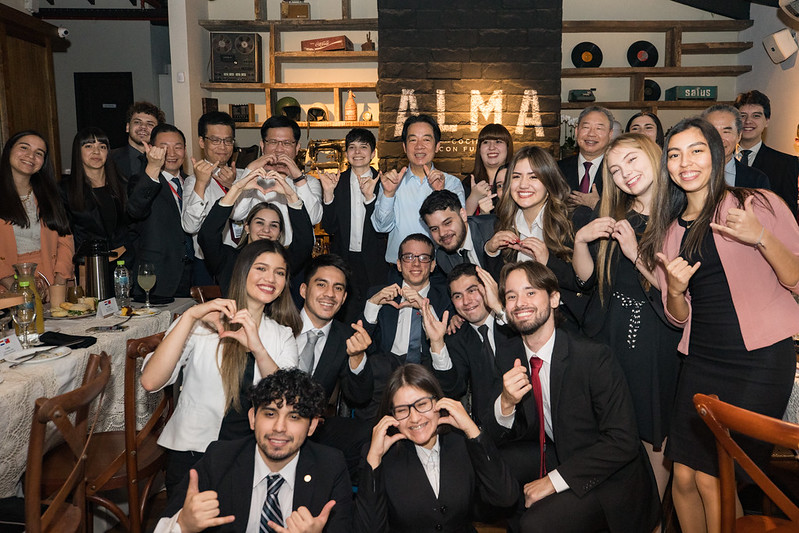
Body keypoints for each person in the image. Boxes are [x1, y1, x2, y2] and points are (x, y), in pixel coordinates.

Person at [653, 117, 799, 533]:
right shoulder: (670, 231)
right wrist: (676, 290)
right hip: (701, 360)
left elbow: (796, 278)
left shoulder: (758, 204)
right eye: (674, 154)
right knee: (683, 477)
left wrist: (761, 237)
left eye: (696, 150)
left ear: (718, 155)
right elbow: (676, 315)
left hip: (758, 360)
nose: (685, 162)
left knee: (713, 477)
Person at [486, 261, 660, 533]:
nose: (520, 303)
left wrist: (553, 481)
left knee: (534, 525)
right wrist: (506, 403)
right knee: (492, 469)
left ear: (554, 298)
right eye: (511, 296)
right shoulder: (511, 354)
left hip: (608, 474)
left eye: (530, 292)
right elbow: (500, 433)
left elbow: (623, 441)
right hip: (558, 451)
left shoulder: (592, 357)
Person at [141, 239, 302, 497]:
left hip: (252, 460)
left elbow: (287, 403)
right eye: (261, 268)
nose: (270, 278)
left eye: (279, 272)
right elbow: (151, 381)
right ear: (243, 271)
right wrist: (189, 317)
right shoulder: (204, 321)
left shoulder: (282, 336)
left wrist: (258, 349)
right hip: (194, 454)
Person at [572, 133, 681, 497]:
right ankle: (625, 513)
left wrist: (635, 254)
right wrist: (581, 240)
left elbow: (676, 292)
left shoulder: (679, 215)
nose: (625, 174)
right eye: (615, 170)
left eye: (632, 160)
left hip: (656, 336)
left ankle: (653, 517)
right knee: (614, 428)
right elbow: (588, 278)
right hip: (610, 332)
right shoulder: (614, 213)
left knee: (653, 432)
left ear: (653, 155)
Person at [155, 368, 353, 533]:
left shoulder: (330, 467)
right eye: (270, 414)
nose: (279, 427)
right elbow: (163, 526)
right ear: (252, 418)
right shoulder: (220, 459)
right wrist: (183, 525)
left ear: (312, 426)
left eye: (294, 417)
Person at [354, 364, 518, 533]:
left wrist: (472, 430)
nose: (415, 418)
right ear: (392, 416)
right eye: (402, 410)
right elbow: (368, 529)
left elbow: (505, 497)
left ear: (438, 403)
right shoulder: (380, 455)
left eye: (422, 404)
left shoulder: (463, 442)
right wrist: (374, 460)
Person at [486, 146, 588, 330]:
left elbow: (586, 283)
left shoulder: (574, 219)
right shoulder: (505, 220)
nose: (523, 185)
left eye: (533, 177)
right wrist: (491, 251)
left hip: (567, 324)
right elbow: (501, 284)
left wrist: (548, 261)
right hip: (519, 323)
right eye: (516, 177)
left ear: (549, 181)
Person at [295, 253, 375, 475]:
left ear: (344, 297)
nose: (330, 294)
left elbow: (359, 397)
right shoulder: (281, 323)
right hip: (268, 420)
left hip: (314, 428)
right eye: (321, 284)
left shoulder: (346, 337)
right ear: (303, 290)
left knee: (374, 436)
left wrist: (357, 357)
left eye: (338, 288)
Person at [358, 233, 452, 420]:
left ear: (433, 265)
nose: (416, 264)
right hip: (387, 371)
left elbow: (448, 349)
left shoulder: (446, 298)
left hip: (427, 369)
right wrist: (372, 305)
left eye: (423, 258)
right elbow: (364, 346)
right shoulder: (379, 295)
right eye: (408, 257)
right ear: (399, 264)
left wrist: (425, 308)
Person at [198, 171, 315, 296]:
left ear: (280, 233)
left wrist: (291, 196)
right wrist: (236, 189)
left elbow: (305, 242)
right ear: (247, 227)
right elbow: (207, 236)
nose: (266, 230)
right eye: (260, 223)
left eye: (274, 225)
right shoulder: (228, 259)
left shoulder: (282, 261)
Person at [371, 114, 466, 264]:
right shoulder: (392, 182)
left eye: (426, 139)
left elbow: (460, 230)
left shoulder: (452, 184)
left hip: (440, 268)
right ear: (404, 147)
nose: (419, 146)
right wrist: (388, 194)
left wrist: (439, 193)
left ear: (437, 146)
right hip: (400, 268)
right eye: (413, 140)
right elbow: (381, 227)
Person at [429, 263, 515, 426]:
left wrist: (498, 308)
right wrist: (437, 342)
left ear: (487, 288)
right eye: (458, 296)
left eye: (472, 290)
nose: (466, 301)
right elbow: (453, 389)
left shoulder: (514, 318)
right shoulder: (457, 338)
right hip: (488, 427)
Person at [319, 128, 388, 322]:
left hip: (376, 262)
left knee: (375, 315)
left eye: (363, 147)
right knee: (343, 314)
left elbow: (384, 227)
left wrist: (370, 198)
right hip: (344, 260)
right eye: (352, 147)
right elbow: (329, 228)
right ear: (346, 153)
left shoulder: (385, 183)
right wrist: (328, 194)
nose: (357, 152)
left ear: (373, 153)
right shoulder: (336, 182)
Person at [0, 131, 73, 299]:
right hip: (7, 286)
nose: (31, 156)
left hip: (50, 281)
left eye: (39, 153)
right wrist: (16, 286)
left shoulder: (49, 195)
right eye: (24, 148)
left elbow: (65, 239)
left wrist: (58, 284)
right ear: (9, 150)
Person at [230, 116, 323, 246]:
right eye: (273, 142)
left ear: (297, 148)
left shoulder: (309, 182)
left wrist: (298, 178)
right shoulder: (251, 178)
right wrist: (250, 170)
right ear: (262, 145)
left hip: (295, 253)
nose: (279, 149)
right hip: (257, 251)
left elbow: (313, 219)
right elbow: (236, 214)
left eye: (286, 143)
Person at [126, 123, 195, 298]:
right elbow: (135, 210)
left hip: (193, 277)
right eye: (164, 147)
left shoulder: (193, 182)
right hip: (157, 278)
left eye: (178, 147)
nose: (172, 153)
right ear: (151, 150)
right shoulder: (141, 182)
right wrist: (153, 168)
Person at [181, 111, 242, 286]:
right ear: (202, 142)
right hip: (207, 264)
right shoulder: (194, 181)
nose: (223, 147)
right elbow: (190, 226)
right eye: (215, 140)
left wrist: (233, 186)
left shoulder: (242, 176)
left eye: (228, 140)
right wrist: (201, 183)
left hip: (242, 259)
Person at [61, 127, 132, 267]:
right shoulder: (65, 189)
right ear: (78, 151)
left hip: (125, 263)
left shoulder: (123, 184)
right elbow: (64, 236)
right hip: (89, 266)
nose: (96, 152)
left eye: (102, 146)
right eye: (88, 146)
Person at [734, 89, 799, 218]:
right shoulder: (719, 159)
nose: (748, 121)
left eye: (756, 116)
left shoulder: (786, 164)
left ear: (767, 121)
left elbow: (788, 214)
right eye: (742, 116)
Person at [419, 189, 502, 278]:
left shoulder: (493, 229)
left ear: (463, 215)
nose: (442, 233)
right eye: (434, 229)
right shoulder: (443, 257)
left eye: (447, 223)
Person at [558, 106, 615, 213]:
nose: (591, 134)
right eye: (586, 127)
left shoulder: (616, 171)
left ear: (610, 134)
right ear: (576, 131)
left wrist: (597, 205)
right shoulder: (558, 168)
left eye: (599, 128)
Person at [701, 104, 771, 189]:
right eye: (713, 132)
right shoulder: (690, 174)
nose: (719, 139)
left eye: (726, 132)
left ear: (739, 136)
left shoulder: (757, 180)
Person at [463, 123, 513, 215]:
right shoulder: (468, 184)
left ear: (508, 147)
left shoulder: (517, 180)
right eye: (486, 142)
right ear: (479, 149)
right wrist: (473, 198)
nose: (491, 147)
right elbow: (460, 222)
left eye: (498, 141)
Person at [110, 101, 165, 184]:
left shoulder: (166, 160)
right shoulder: (110, 158)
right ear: (127, 127)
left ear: (158, 132)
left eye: (150, 124)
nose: (143, 127)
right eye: (137, 122)